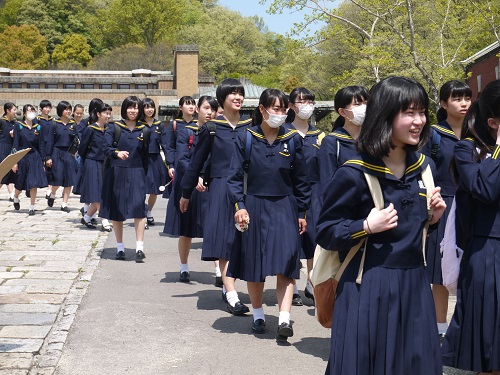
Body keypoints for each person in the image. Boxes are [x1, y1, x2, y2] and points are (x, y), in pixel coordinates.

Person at [316, 76, 446, 374]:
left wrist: (433, 218)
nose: (419, 121)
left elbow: (416, 230)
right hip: (367, 287)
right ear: (385, 115)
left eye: (422, 112)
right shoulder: (355, 172)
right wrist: (365, 225)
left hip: (414, 284)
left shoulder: (424, 168)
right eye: (409, 113)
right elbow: (325, 231)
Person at [226, 88, 310, 338]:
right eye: (276, 108)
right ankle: (258, 314)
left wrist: (302, 210)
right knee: (255, 263)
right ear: (262, 109)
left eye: (285, 109)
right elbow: (233, 177)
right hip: (254, 205)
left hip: (285, 206)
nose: (281, 114)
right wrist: (239, 206)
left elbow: (302, 179)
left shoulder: (294, 139)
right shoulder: (246, 137)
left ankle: (285, 319)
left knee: (287, 260)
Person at [442, 79, 500, 375]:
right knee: (490, 351)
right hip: (488, 251)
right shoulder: (466, 151)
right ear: (493, 122)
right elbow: (487, 188)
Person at [179, 78, 251, 315]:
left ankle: (235, 285)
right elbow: (196, 163)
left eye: (240, 93)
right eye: (233, 94)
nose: (238, 97)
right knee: (225, 240)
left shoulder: (251, 127)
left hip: (248, 187)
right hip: (220, 188)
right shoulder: (211, 129)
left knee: (246, 240)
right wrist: (186, 193)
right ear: (223, 99)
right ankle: (231, 293)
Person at [421, 80, 471, 340]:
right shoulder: (433, 134)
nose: (463, 103)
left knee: (471, 269)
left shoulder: (477, 131)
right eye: (456, 98)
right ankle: (439, 329)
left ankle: (464, 328)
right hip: (444, 204)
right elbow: (422, 170)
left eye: (467, 98)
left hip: (473, 204)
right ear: (443, 103)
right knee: (440, 272)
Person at [163, 96, 216, 283]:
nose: (210, 112)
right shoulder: (186, 131)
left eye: (213, 109)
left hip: (209, 183)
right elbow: (183, 158)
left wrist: (205, 176)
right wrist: (196, 177)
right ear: (199, 110)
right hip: (189, 182)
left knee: (213, 226)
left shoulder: (218, 132)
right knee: (186, 228)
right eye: (206, 108)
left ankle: (218, 269)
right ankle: (184, 266)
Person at [284, 87, 323, 305]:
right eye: (301, 101)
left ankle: (313, 284)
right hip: (289, 192)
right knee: (292, 242)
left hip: (316, 192)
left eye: (310, 100)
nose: (306, 105)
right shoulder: (284, 133)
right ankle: (293, 287)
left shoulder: (320, 136)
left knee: (313, 241)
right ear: (291, 106)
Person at [100, 96, 149, 263]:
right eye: (130, 107)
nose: (133, 110)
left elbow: (147, 155)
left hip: (137, 172)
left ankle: (140, 247)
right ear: (124, 109)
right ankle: (120, 247)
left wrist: (145, 175)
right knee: (117, 210)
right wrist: (116, 153)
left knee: (139, 208)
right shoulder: (114, 128)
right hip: (117, 172)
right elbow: (105, 148)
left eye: (136, 107)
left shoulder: (145, 129)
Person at [318, 86, 369, 201]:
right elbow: (327, 183)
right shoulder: (332, 142)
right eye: (357, 104)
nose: (364, 108)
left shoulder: (372, 141)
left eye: (366, 103)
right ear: (342, 112)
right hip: (345, 205)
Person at [77, 102, 112, 230]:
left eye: (109, 113)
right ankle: (104, 220)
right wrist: (89, 160)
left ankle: (86, 218)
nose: (108, 116)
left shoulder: (109, 129)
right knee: (97, 193)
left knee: (102, 192)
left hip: (105, 164)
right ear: (98, 114)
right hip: (92, 163)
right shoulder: (90, 129)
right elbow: (82, 149)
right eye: (105, 113)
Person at [11, 105, 47, 215]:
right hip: (22, 155)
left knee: (33, 182)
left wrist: (43, 161)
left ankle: (32, 206)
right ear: (24, 114)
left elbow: (41, 145)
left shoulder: (38, 127)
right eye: (29, 111)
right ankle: (16, 196)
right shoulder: (18, 126)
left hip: (34, 156)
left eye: (33, 110)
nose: (31, 112)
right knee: (21, 181)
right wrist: (14, 161)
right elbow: (15, 143)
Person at [138, 98, 168, 227]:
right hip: (141, 159)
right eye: (146, 107)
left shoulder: (159, 124)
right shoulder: (138, 124)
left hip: (155, 159)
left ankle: (148, 212)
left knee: (154, 190)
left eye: (151, 107)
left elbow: (165, 144)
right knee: (141, 189)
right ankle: (141, 214)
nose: (149, 109)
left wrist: (170, 163)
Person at [45, 101, 77, 212]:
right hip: (56, 152)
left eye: (69, 109)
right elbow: (49, 141)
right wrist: (48, 157)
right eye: (65, 109)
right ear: (60, 111)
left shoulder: (73, 125)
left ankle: (64, 204)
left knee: (69, 179)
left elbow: (76, 140)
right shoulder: (54, 124)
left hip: (69, 153)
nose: (68, 111)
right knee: (57, 177)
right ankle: (52, 194)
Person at [165, 96, 197, 189]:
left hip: (194, 162)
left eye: (193, 104)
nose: (191, 107)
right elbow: (170, 146)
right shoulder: (175, 124)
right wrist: (171, 165)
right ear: (180, 107)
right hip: (178, 163)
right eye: (188, 104)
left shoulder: (198, 124)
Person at [0, 102, 17, 201]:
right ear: (8, 110)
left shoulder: (14, 123)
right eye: (14, 110)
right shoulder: (2, 122)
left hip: (11, 149)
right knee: (4, 171)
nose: (15, 112)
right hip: (2, 148)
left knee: (10, 173)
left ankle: (12, 194)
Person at [37, 99, 54, 199]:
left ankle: (49, 189)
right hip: (40, 145)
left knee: (51, 168)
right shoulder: (37, 120)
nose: (47, 109)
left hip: (50, 145)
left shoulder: (53, 121)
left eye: (49, 107)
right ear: (41, 109)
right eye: (45, 107)